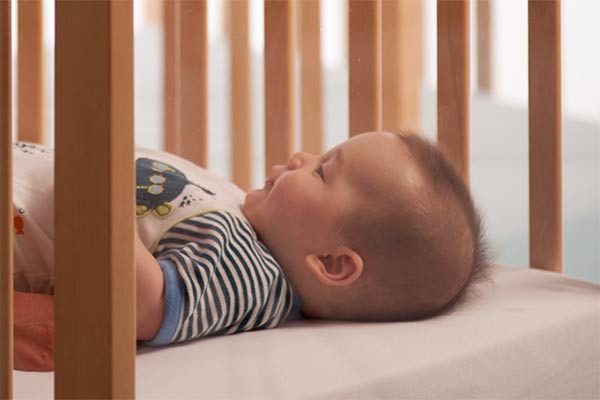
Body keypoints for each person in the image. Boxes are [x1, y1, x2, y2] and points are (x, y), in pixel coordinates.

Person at [12, 131, 491, 371]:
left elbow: (139, 304)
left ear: (331, 263)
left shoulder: (250, 276)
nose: (303, 157)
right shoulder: (241, 208)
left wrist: (96, 184)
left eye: (323, 171)